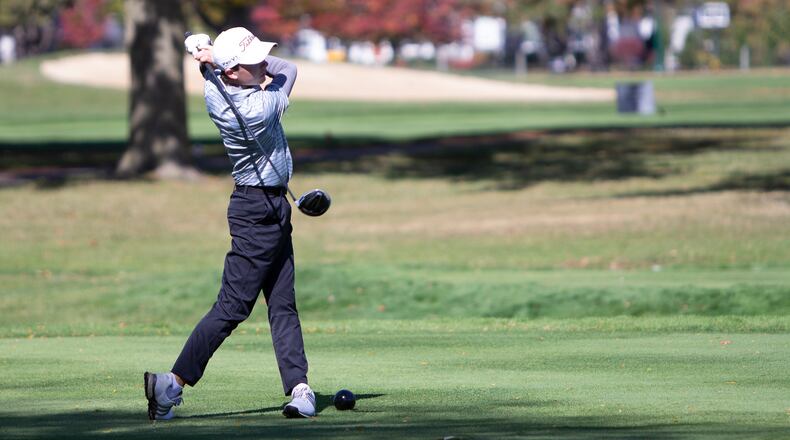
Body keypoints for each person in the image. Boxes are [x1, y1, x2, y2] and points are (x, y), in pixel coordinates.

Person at [144, 27, 315, 420]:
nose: (263, 64)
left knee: (283, 302)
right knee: (234, 306)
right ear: (235, 72)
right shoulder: (260, 107)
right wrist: (211, 56)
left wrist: (207, 55)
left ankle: (299, 387)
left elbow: (220, 72)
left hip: (267, 206)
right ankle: (171, 384)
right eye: (254, 61)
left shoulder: (215, 86)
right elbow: (287, 69)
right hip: (258, 211)